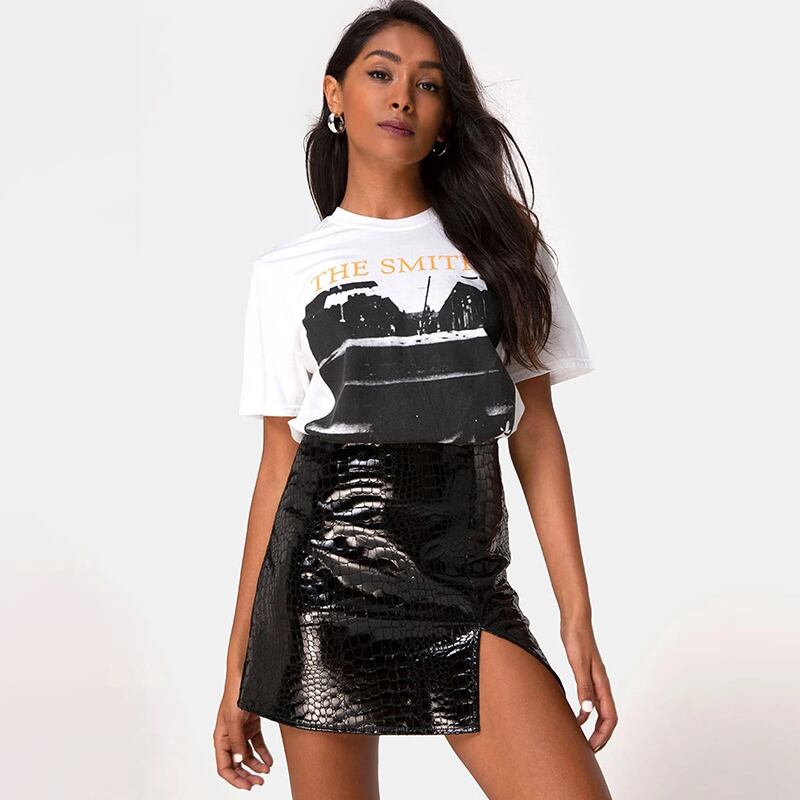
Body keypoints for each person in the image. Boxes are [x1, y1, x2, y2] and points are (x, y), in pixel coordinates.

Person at [214, 2, 616, 797]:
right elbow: (276, 469)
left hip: (468, 582)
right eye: (381, 73)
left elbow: (535, 432)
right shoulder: (286, 272)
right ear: (336, 95)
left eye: (428, 84)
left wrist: (577, 613)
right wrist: (239, 670)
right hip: (323, 581)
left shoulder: (505, 248)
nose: (402, 95)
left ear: (445, 116)